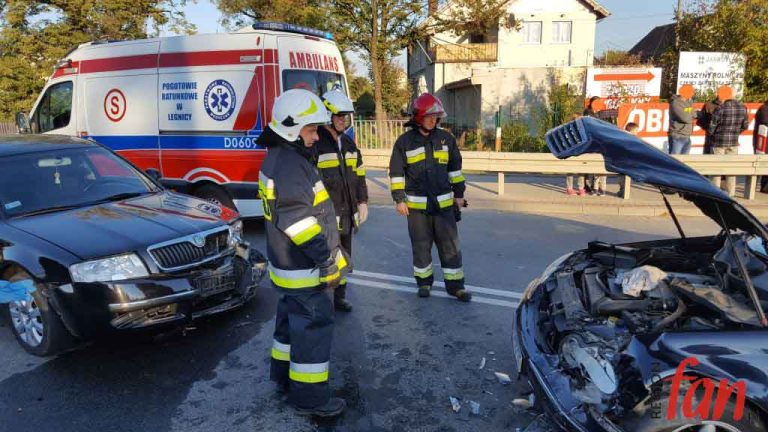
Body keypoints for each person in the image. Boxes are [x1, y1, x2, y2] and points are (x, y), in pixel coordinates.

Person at [258, 89, 348, 417]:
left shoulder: (278, 159)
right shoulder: (291, 165)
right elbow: (300, 222)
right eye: (311, 130)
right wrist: (326, 259)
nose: (315, 136)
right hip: (304, 267)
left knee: (289, 323)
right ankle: (311, 398)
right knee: (313, 326)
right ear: (292, 128)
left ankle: (282, 377)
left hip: (287, 265)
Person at [389, 93, 471, 302]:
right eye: (429, 116)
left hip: (444, 206)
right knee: (421, 246)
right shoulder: (404, 142)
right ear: (418, 117)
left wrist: (459, 195)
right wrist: (399, 199)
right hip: (417, 208)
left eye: (436, 116)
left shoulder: (446, 139)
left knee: (450, 245)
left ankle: (456, 287)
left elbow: (455, 170)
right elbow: (397, 172)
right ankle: (424, 283)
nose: (433, 120)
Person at [314, 89, 368, 312]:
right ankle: (323, 301)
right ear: (327, 115)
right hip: (326, 217)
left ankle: (339, 298)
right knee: (326, 260)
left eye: (345, 116)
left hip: (347, 215)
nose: (343, 120)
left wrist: (363, 201)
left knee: (344, 258)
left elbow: (360, 175)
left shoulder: (348, 144)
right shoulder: (316, 145)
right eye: (339, 116)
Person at [709, 86, 749, 197]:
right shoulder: (743, 107)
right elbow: (745, 125)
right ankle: (730, 193)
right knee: (731, 169)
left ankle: (715, 193)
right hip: (734, 142)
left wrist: (714, 134)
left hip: (719, 142)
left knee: (716, 169)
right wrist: (736, 133)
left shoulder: (720, 108)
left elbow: (712, 127)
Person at [668, 84, 695, 154]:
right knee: (675, 161)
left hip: (687, 135)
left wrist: (691, 113)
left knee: (684, 161)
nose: (693, 93)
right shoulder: (676, 103)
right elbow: (685, 118)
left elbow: (693, 114)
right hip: (678, 136)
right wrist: (691, 113)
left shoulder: (688, 102)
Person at [565, 113, 586, 196]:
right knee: (570, 170)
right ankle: (569, 188)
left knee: (581, 170)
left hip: (580, 152)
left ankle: (581, 188)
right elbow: (567, 139)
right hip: (571, 151)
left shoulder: (582, 129)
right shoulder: (569, 129)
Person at [618, 122, 640, 196]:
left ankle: (622, 189)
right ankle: (624, 190)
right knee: (624, 177)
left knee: (622, 177)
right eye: (636, 130)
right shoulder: (631, 138)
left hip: (622, 161)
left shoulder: (622, 136)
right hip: (625, 161)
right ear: (632, 130)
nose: (637, 132)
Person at [752, 99, 768, 191]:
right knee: (761, 165)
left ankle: (765, 187)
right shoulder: (764, 109)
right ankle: (757, 186)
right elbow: (765, 122)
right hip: (763, 144)